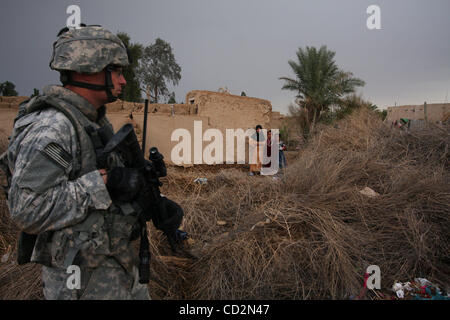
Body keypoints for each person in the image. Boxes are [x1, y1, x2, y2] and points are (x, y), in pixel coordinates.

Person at [4, 25, 152, 300]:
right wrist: (104, 182)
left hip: (115, 268)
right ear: (90, 68)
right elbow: (27, 210)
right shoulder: (53, 126)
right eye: (117, 72)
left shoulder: (94, 122)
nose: (122, 81)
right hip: (80, 283)